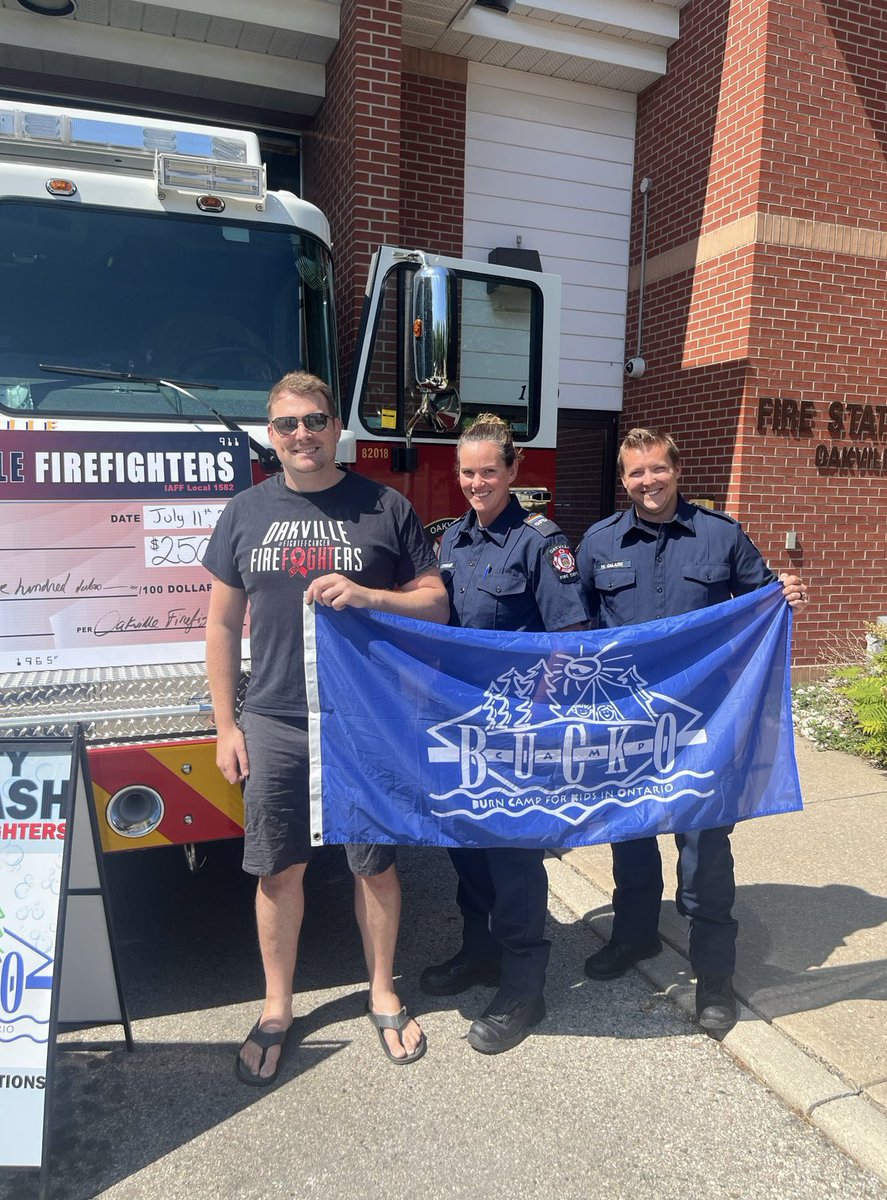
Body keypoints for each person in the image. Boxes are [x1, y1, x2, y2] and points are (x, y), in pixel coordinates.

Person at [203, 371, 449, 1084]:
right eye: (286, 425)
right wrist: (226, 724)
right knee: (277, 868)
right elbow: (221, 626)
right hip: (275, 717)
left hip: (364, 715)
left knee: (374, 864)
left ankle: (381, 989)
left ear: (335, 426)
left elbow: (434, 603)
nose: (302, 434)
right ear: (270, 436)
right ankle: (277, 1007)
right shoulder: (245, 512)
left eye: (314, 420)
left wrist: (371, 593)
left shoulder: (384, 505)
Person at [576, 427, 809, 1038]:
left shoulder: (720, 534)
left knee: (705, 856)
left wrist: (784, 594)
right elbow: (574, 629)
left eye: (657, 469)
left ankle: (713, 980)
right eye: (635, 473)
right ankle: (634, 939)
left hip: (706, 728)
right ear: (622, 480)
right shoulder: (600, 544)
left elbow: (761, 600)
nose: (647, 482)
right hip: (629, 730)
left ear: (677, 470)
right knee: (629, 838)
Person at [419, 413, 589, 1053]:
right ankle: (480, 952)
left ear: (514, 471)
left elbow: (569, 639)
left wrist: (533, 716)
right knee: (465, 844)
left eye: (489, 470)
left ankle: (525, 986)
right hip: (460, 726)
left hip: (517, 729)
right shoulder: (450, 541)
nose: (476, 482)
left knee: (514, 856)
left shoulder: (543, 543)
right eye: (467, 471)